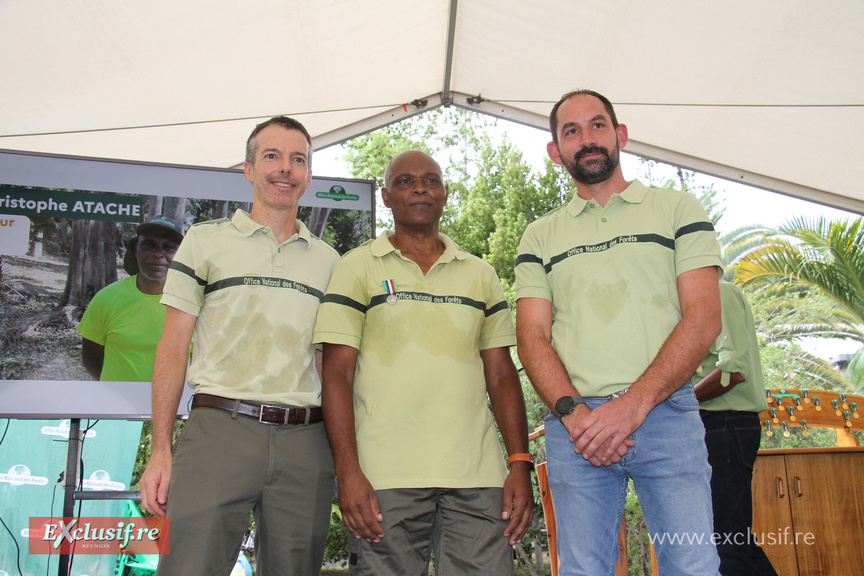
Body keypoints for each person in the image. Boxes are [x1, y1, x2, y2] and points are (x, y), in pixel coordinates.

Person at [514, 89, 723, 576]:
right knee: (583, 570)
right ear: (555, 151)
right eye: (571, 131)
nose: (586, 139)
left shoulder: (679, 209)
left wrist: (631, 406)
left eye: (597, 125)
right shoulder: (539, 236)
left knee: (692, 566)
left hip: (667, 415)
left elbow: (704, 318)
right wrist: (574, 415)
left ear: (620, 135)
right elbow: (531, 339)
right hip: (576, 429)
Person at [314, 151, 534, 575]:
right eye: (405, 181)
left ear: (445, 194)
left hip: (478, 476)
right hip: (384, 478)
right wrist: (348, 471)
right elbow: (336, 374)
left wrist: (519, 462)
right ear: (386, 196)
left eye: (431, 180)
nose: (419, 188)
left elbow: (502, 374)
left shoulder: (480, 274)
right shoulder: (356, 268)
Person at [139, 116, 340, 576]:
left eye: (298, 160)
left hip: (306, 443)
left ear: (308, 178)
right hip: (218, 433)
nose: (285, 169)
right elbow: (172, 349)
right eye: (272, 156)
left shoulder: (331, 261)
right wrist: (161, 450)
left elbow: (332, 365)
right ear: (248, 169)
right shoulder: (204, 241)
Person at [696, 281, 777, 576]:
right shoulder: (688, 300)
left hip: (725, 424)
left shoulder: (718, 292)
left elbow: (734, 370)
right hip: (713, 426)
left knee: (727, 543)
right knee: (732, 539)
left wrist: (680, 403)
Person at [78, 214, 184, 381]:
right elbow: (91, 358)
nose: (158, 254)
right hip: (117, 404)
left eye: (168, 247)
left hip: (173, 405)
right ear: (135, 250)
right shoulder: (107, 298)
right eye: (148, 245)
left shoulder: (194, 303)